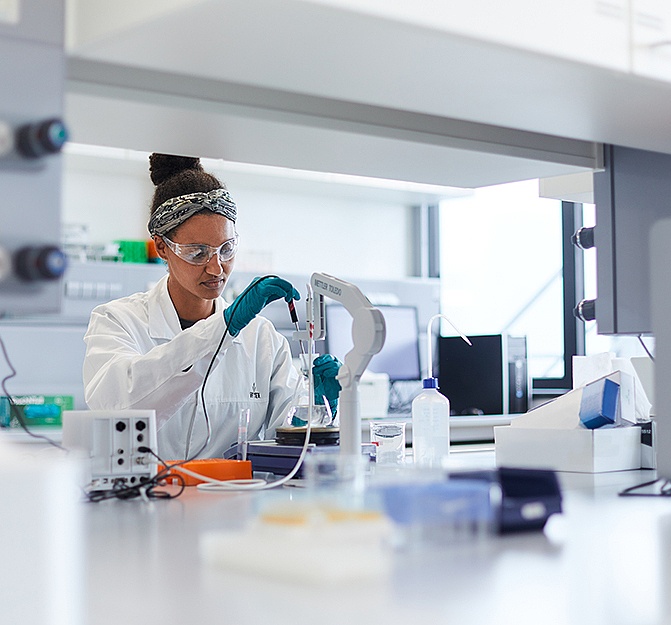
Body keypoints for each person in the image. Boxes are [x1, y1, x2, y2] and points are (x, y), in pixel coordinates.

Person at [83, 153, 340, 460]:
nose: (216, 268)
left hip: (235, 502)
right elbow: (117, 407)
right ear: (162, 246)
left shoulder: (261, 338)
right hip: (148, 501)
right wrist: (224, 328)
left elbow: (287, 440)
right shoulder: (117, 321)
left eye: (226, 249)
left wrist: (316, 410)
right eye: (197, 252)